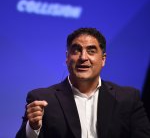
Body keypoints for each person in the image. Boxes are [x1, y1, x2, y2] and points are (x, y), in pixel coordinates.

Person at [16, 28, 150, 138]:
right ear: (67, 58)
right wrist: (33, 128)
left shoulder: (128, 98)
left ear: (103, 60)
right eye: (76, 50)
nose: (83, 57)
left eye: (91, 51)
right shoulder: (41, 98)